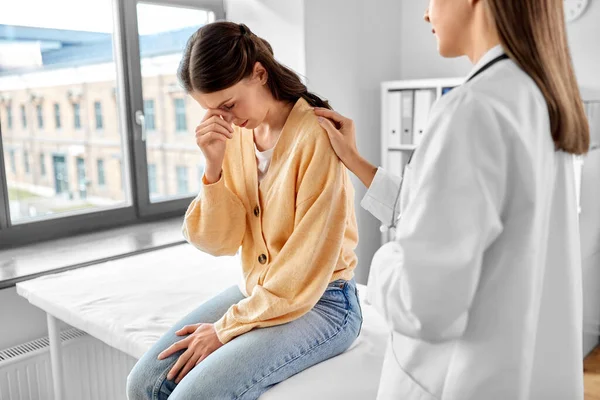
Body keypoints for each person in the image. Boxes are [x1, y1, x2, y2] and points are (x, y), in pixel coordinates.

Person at [315, 0, 590, 398]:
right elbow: (457, 222)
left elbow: (423, 306)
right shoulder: (540, 99)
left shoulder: (471, 109)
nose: (426, 14)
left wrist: (383, 259)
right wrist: (356, 162)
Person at [126, 21, 362, 400]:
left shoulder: (316, 136)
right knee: (144, 385)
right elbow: (220, 241)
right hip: (260, 292)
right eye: (213, 111)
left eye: (230, 105)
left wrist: (223, 329)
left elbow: (303, 270)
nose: (227, 120)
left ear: (259, 72)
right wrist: (213, 168)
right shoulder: (236, 135)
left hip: (323, 302)